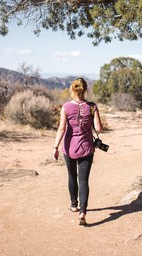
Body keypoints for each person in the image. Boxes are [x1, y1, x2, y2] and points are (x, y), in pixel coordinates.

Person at [53, 77, 103, 226]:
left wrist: (55, 147)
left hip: (69, 148)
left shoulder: (66, 107)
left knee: (71, 176)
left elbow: (62, 128)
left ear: (72, 90)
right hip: (87, 148)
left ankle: (74, 205)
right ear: (85, 90)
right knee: (83, 180)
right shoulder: (92, 107)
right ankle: (82, 212)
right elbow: (99, 129)